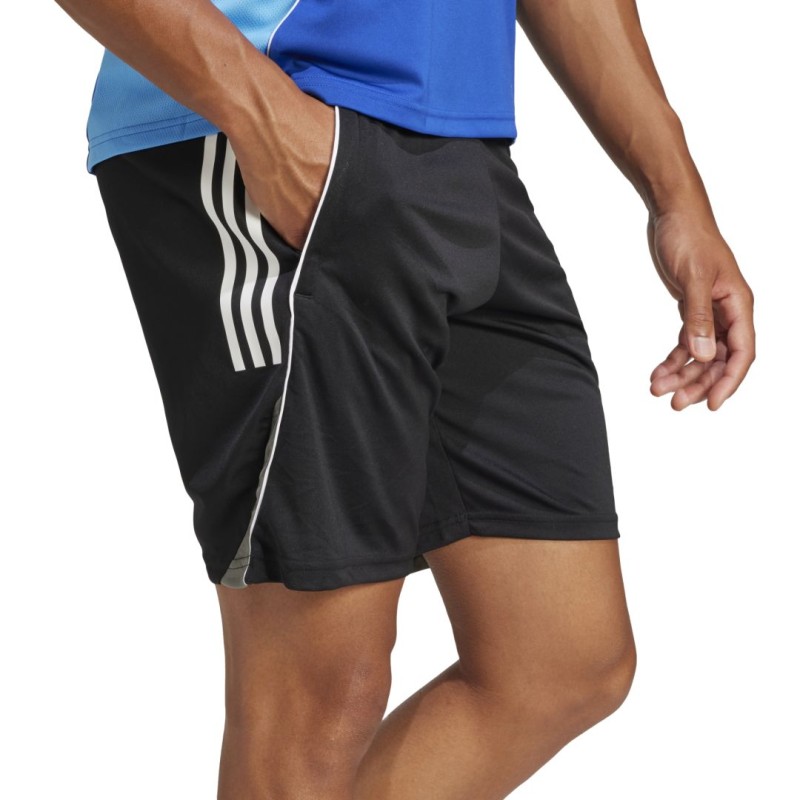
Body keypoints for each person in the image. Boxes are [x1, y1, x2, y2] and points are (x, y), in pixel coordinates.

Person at [54, 0, 756, 798]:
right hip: (273, 115)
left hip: (459, 134)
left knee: (561, 658)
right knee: (321, 690)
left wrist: (677, 196)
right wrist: (259, 111)